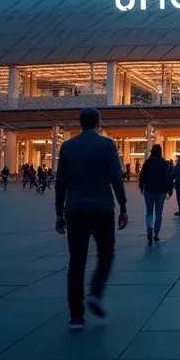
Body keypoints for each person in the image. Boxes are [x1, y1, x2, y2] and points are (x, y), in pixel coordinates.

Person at [53, 107, 128, 329]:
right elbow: (116, 178)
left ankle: (76, 316)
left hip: (75, 209)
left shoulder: (68, 146)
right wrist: (123, 206)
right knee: (106, 253)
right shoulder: (107, 145)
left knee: (76, 261)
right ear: (98, 122)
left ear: (80, 123)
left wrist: (59, 212)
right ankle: (95, 291)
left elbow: (60, 182)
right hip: (103, 208)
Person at [138, 144, 173, 244]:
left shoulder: (147, 162)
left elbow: (142, 175)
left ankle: (149, 228)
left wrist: (141, 186)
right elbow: (168, 176)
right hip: (161, 191)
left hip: (149, 190)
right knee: (158, 213)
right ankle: (156, 234)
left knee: (149, 212)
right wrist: (170, 189)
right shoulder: (164, 162)